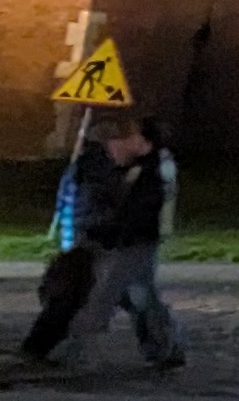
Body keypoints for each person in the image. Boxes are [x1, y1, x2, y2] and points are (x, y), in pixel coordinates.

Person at [32, 113, 183, 369]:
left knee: (103, 296)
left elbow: (138, 209)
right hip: (113, 239)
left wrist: (107, 232)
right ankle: (164, 347)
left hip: (130, 242)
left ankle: (70, 350)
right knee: (135, 296)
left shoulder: (150, 168)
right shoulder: (111, 166)